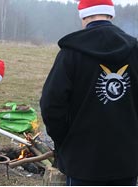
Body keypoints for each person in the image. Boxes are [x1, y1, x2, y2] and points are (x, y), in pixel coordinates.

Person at [40, 0, 138, 185]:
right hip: (126, 161)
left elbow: (50, 105)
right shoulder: (135, 51)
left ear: (84, 16)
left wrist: (63, 140)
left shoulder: (70, 54)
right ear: (110, 15)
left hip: (82, 161)